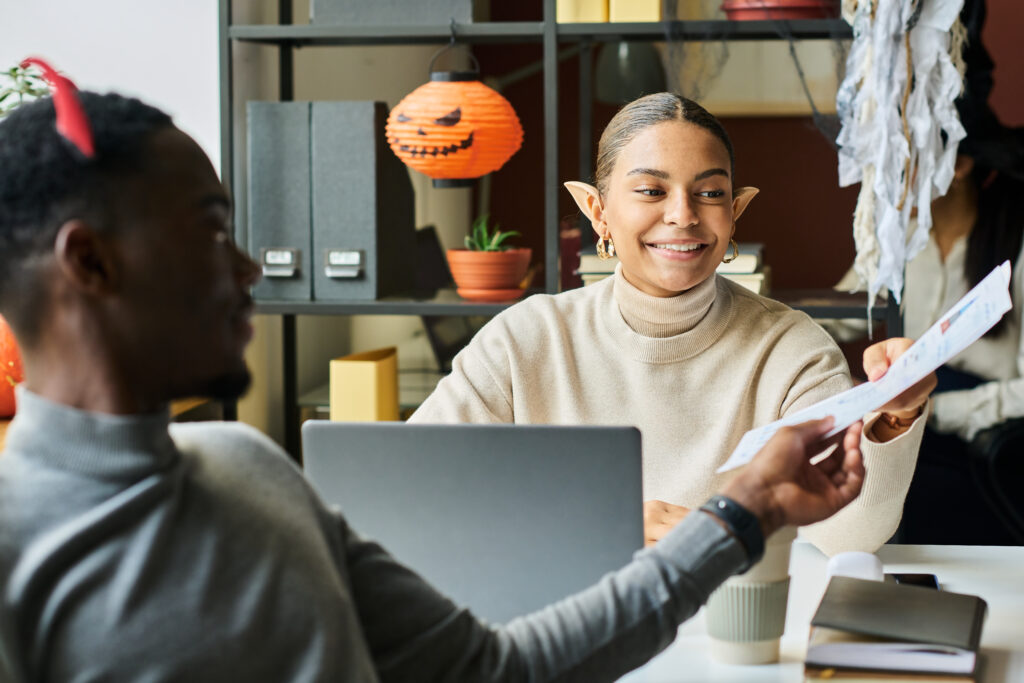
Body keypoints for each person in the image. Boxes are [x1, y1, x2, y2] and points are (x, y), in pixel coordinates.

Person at [0, 89, 869, 681]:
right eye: (209, 229)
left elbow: (499, 669)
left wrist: (739, 512)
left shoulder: (249, 469)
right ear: (90, 263)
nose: (248, 262)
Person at [411, 92, 936, 555]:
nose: (683, 215)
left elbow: (848, 535)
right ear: (596, 211)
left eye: (709, 193)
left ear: (736, 211)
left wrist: (893, 418)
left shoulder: (791, 348)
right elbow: (416, 487)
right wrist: (599, 529)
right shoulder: (524, 340)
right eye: (651, 191)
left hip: (731, 627)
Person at [826, 4, 1024, 544]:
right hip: (917, 421)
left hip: (993, 439)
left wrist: (940, 410)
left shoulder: (1016, 246)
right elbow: (842, 311)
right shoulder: (898, 245)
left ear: (958, 163)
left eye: (907, 152)